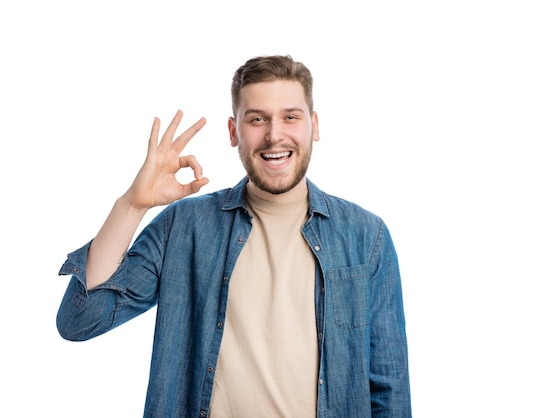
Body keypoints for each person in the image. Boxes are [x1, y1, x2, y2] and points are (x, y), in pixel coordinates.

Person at [57, 55, 411, 417]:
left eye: (291, 116)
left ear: (313, 126)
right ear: (233, 131)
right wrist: (131, 205)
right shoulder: (183, 227)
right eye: (257, 119)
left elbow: (388, 387)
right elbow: (80, 320)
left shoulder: (367, 237)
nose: (275, 134)